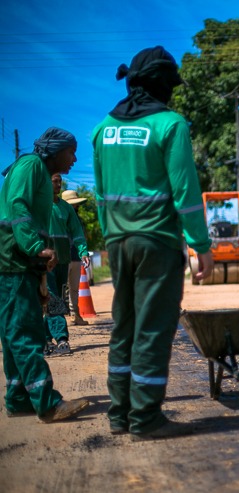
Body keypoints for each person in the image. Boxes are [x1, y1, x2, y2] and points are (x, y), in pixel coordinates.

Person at [93, 46, 214, 440]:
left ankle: (119, 414)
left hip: (118, 243)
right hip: (157, 243)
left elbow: (99, 195)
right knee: (153, 330)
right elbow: (186, 192)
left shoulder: (101, 130)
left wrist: (112, 237)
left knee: (123, 327)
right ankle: (145, 419)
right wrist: (202, 245)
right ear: (163, 85)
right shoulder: (169, 125)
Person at [0, 127, 90, 422]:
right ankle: (48, 403)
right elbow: (18, 206)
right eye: (71, 151)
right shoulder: (30, 166)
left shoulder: (35, 169)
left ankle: (18, 398)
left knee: (14, 332)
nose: (75, 158)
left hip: (17, 261)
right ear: (55, 151)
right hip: (13, 260)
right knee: (26, 332)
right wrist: (36, 247)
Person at [43, 174, 91, 356]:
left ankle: (46, 339)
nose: (57, 185)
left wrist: (83, 251)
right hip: (45, 262)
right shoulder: (39, 206)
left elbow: (77, 232)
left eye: (59, 182)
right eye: (54, 181)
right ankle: (62, 338)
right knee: (52, 297)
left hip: (63, 260)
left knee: (59, 298)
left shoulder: (65, 208)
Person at [61, 189, 91, 326]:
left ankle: (75, 315)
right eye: (74, 204)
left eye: (76, 204)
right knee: (61, 287)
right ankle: (58, 318)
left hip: (75, 256)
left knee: (74, 288)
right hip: (63, 257)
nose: (76, 206)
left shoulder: (77, 219)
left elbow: (80, 237)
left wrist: (83, 252)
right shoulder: (59, 216)